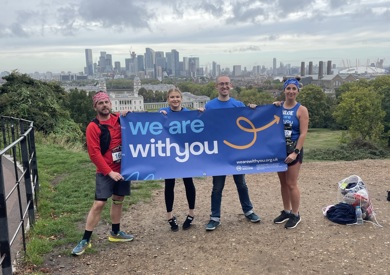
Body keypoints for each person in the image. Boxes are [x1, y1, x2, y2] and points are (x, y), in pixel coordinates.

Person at [71, 91, 134, 256]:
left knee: (118, 200)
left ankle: (115, 232)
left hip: (123, 169)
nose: (104, 105)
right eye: (101, 103)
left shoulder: (120, 119)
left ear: (110, 104)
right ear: (95, 107)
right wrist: (109, 172)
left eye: (106, 102)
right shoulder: (93, 127)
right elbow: (94, 154)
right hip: (106, 170)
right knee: (99, 204)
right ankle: (85, 239)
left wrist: (163, 114)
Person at [203, 75, 261, 231]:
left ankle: (248, 211)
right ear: (216, 86)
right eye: (221, 84)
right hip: (219, 154)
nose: (224, 86)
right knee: (217, 187)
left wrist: (254, 110)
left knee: (241, 184)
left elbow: (249, 123)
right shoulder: (209, 106)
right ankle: (215, 217)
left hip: (236, 152)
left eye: (227, 84)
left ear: (231, 86)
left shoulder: (238, 105)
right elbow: (204, 127)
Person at [273, 77, 309, 229]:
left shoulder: (301, 110)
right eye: (288, 88)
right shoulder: (278, 106)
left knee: (291, 184)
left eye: (294, 89)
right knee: (283, 183)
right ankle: (287, 211)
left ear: (298, 91)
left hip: (293, 151)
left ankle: (296, 214)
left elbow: (303, 134)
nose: (291, 91)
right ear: (284, 90)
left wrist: (295, 152)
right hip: (280, 151)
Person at [159, 88, 196, 231]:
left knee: (188, 182)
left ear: (181, 98)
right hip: (169, 153)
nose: (175, 99)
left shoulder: (188, 113)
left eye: (177, 97)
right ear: (168, 99)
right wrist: (126, 114)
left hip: (185, 152)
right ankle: (169, 216)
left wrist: (200, 113)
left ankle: (191, 213)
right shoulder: (162, 112)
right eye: (172, 97)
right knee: (169, 184)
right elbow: (147, 122)